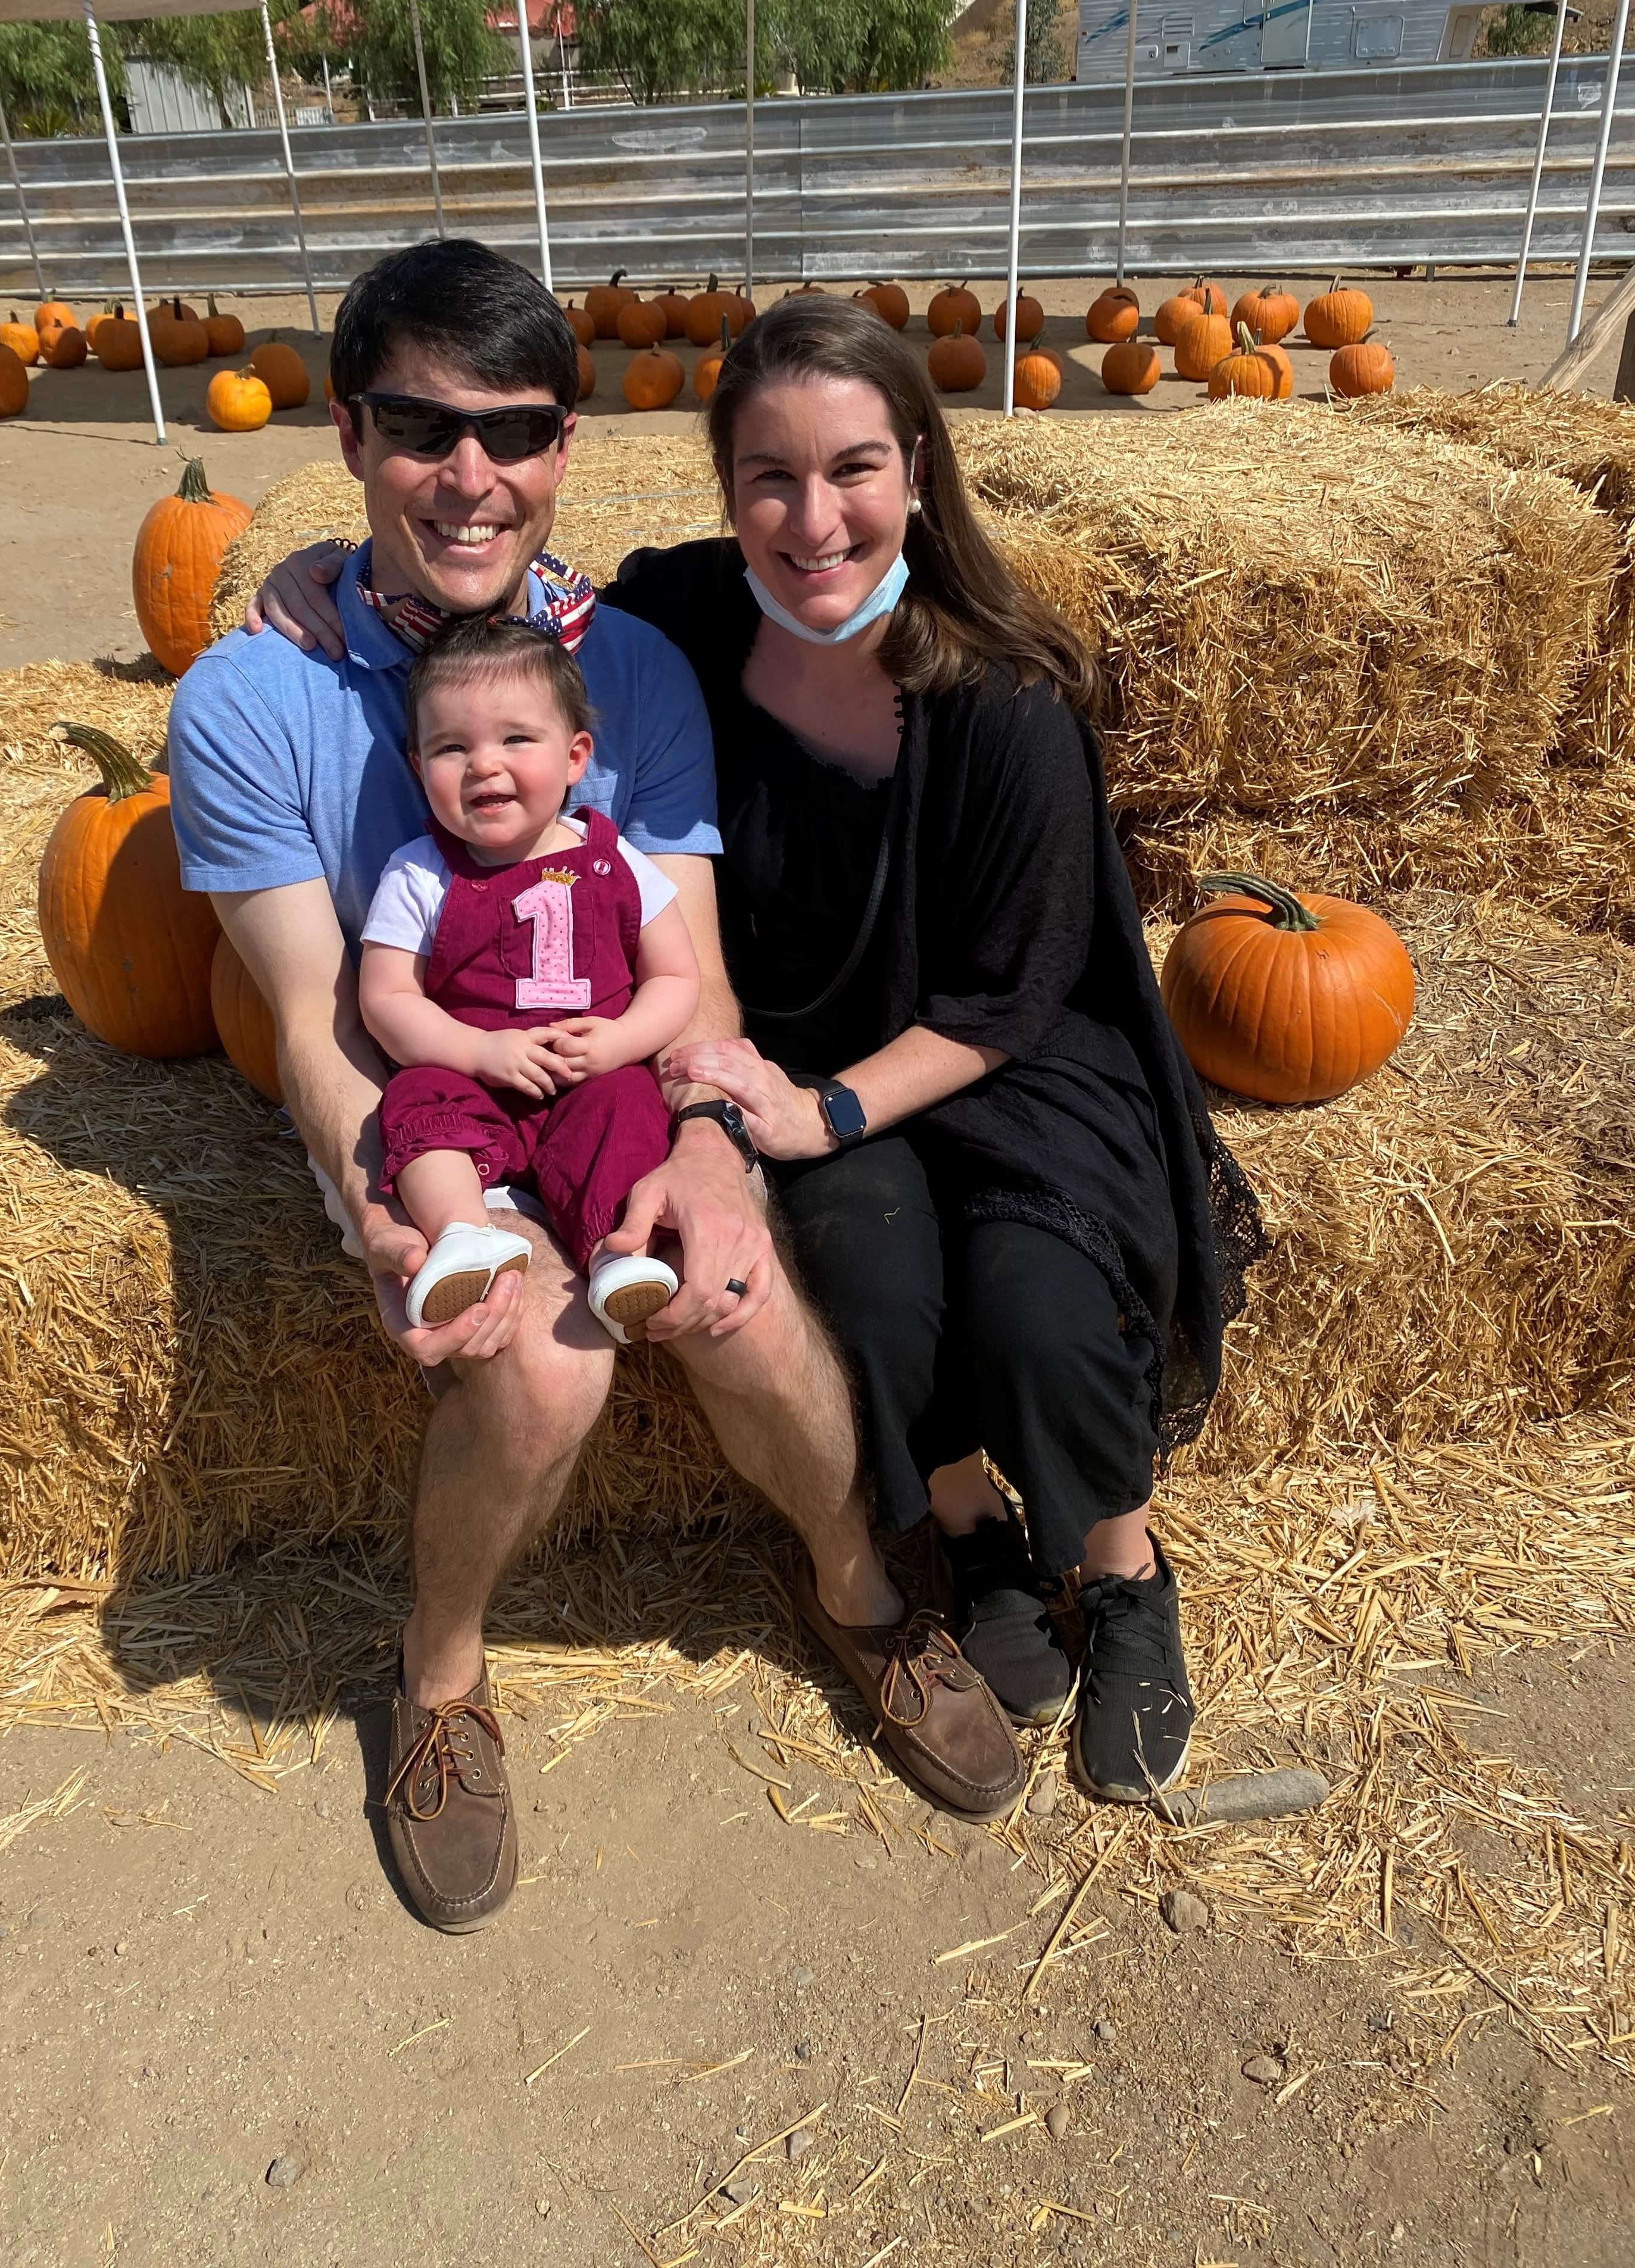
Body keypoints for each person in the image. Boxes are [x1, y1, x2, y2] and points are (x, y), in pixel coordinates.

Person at [254, 283, 1264, 1837]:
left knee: (1039, 1306)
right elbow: (491, 605)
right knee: (859, 1279)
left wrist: (813, 1106)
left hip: (1001, 1053)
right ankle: (968, 1527)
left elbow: (1012, 998)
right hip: (802, 1051)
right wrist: (314, 569)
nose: (815, 517)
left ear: (919, 470)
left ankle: (1121, 1575)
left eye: (855, 468)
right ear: (726, 499)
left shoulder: (1006, 690)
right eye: (770, 480)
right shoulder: (689, 624)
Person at [176, 239, 1025, 1941]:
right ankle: (439, 1681)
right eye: (422, 427)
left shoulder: (627, 669)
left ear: (569, 449)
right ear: (348, 435)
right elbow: (308, 1017)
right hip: (422, 1098)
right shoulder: (246, 694)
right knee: (543, 1373)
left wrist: (713, 1140)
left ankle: (858, 1591)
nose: (470, 475)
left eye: (515, 430)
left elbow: (688, 963)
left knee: (733, 1289)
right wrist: (396, 1206)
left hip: (612, 1073)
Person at [358, 615, 699, 1339]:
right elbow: (386, 997)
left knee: (629, 1107)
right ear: (419, 767)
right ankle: (460, 1235)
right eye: (453, 747)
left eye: (516, 739)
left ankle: (617, 1255)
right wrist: (477, 1052)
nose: (485, 764)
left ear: (576, 756)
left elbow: (675, 976)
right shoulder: (419, 872)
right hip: (474, 1078)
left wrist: (620, 1041)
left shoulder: (614, 860)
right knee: (415, 1100)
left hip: (588, 1077)